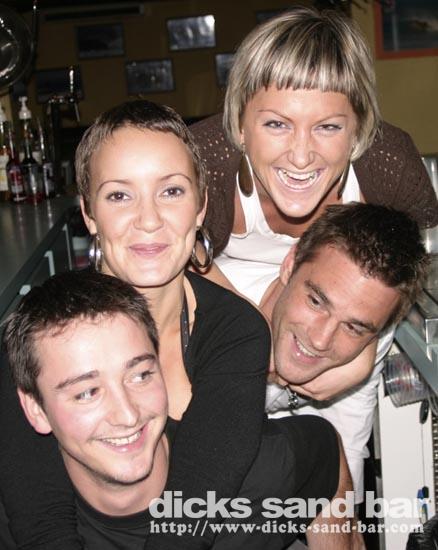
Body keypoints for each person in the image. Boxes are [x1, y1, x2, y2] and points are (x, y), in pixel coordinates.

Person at [0, 99, 348, 550]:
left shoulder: (236, 331)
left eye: (171, 191)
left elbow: (193, 514)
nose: (149, 220)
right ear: (89, 214)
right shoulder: (37, 342)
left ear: (200, 206)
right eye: (119, 195)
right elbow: (43, 525)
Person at [189, 5, 438, 501]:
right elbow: (160, 269)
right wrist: (251, 332)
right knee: (226, 467)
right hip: (224, 286)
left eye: (328, 128)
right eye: (277, 124)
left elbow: (411, 270)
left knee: (340, 482)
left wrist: (362, 353)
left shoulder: (392, 168)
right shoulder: (201, 163)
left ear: (358, 131)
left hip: (342, 296)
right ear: (239, 124)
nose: (301, 156)